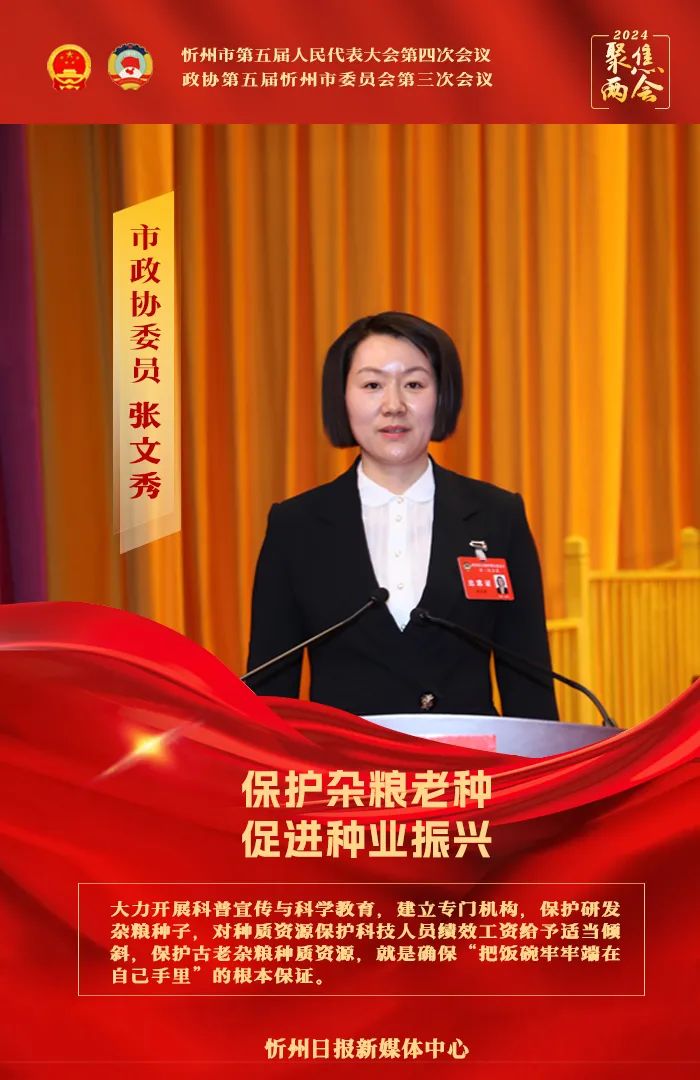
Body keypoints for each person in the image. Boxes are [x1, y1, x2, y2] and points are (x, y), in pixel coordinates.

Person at [246, 312, 558, 721]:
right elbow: (269, 693)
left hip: (470, 758)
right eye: (372, 385)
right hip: (345, 759)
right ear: (342, 397)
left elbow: (529, 685)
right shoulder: (296, 526)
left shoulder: (498, 516)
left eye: (414, 384)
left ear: (442, 396)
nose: (393, 406)